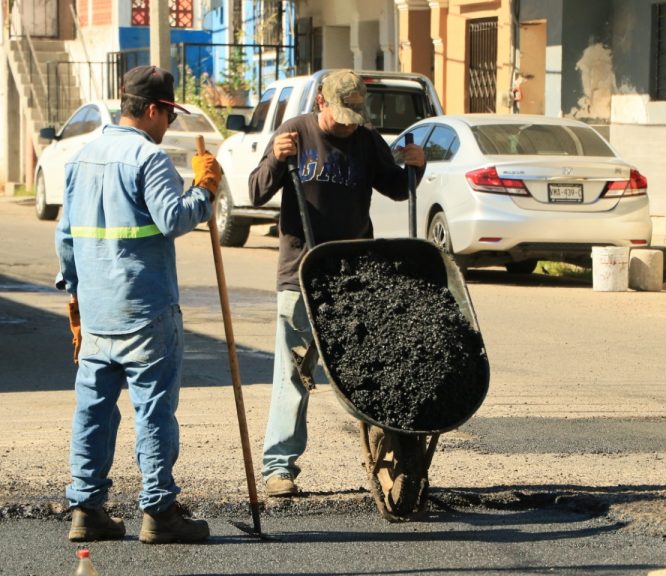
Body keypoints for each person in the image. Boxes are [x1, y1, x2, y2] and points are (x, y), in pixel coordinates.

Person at [55, 65, 222, 543]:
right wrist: (205, 190)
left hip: (97, 311)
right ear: (152, 109)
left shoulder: (82, 158)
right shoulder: (148, 158)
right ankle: (160, 511)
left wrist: (74, 296)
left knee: (93, 410)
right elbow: (173, 218)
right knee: (153, 410)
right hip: (146, 311)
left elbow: (65, 236)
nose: (169, 123)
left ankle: (87, 509)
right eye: (169, 114)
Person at [249, 69, 426, 497]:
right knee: (293, 374)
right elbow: (256, 192)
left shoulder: (365, 140)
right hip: (301, 272)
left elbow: (396, 188)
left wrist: (415, 169)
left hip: (354, 275)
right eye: (341, 117)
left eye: (355, 118)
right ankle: (278, 467)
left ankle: (387, 450)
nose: (348, 126)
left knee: (368, 369)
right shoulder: (295, 133)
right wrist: (276, 159)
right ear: (321, 103)